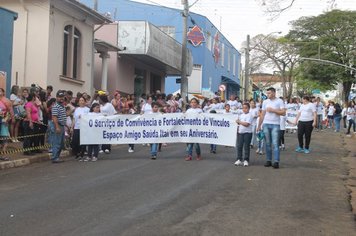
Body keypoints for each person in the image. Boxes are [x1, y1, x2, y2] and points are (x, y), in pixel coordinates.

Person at [257, 87, 286, 169]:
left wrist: (273, 110)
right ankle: (268, 160)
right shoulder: (265, 102)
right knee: (267, 143)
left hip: (275, 124)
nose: (268, 94)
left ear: (274, 93)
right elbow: (262, 114)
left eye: (269, 93)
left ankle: (276, 161)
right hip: (266, 124)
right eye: (267, 93)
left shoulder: (279, 101)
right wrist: (259, 125)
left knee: (275, 143)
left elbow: (283, 113)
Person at [49, 90, 67, 163]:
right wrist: (57, 127)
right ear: (56, 97)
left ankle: (57, 157)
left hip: (62, 125)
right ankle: (54, 158)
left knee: (61, 143)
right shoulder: (56, 106)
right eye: (59, 97)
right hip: (57, 125)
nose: (61, 98)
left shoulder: (62, 106)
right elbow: (54, 117)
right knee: (56, 142)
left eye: (62, 97)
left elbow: (63, 116)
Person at [234, 102, 253, 167]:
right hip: (240, 133)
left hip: (247, 133)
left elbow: (247, 124)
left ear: (249, 108)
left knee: (246, 147)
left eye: (246, 108)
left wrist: (239, 122)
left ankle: (246, 160)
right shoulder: (241, 115)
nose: (244, 109)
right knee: (239, 146)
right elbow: (239, 123)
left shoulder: (250, 115)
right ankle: (239, 159)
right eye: (243, 108)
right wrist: (238, 122)